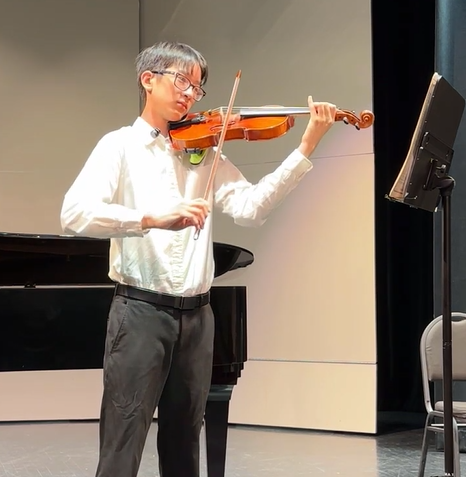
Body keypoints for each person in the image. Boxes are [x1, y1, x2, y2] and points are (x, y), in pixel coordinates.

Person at [60, 41, 337, 477]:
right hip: (140, 312)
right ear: (147, 79)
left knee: (185, 441)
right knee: (123, 441)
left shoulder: (204, 150)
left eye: (198, 87)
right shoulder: (119, 147)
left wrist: (304, 148)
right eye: (181, 81)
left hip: (198, 316)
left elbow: (250, 208)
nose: (190, 94)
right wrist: (150, 218)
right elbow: (74, 214)